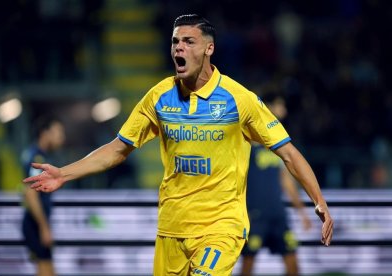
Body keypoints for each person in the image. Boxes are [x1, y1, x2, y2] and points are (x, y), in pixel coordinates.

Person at [23, 14, 333, 276]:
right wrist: (64, 173)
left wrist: (318, 200)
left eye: (188, 42)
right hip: (171, 229)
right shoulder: (159, 97)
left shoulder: (240, 100)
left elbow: (288, 153)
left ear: (209, 48)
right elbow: (118, 149)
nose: (178, 48)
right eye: (175, 42)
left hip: (220, 227)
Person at [240, 94, 312, 276]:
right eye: (281, 106)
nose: (284, 112)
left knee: (293, 264)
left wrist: (302, 211)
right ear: (268, 108)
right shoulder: (249, 138)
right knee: (248, 264)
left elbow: (285, 180)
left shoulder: (278, 144)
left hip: (277, 214)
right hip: (255, 215)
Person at [21, 115, 66, 276]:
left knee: (48, 269)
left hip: (37, 222)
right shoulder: (37, 159)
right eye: (58, 132)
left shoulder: (38, 155)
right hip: (35, 223)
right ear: (45, 133)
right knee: (45, 270)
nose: (62, 138)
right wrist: (44, 227)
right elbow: (31, 194)